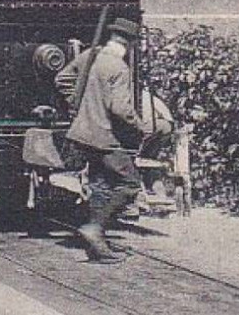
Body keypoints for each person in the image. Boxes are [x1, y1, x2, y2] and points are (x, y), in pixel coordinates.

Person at [64, 17, 168, 262]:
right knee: (129, 183)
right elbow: (120, 108)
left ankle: (97, 246)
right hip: (103, 136)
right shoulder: (119, 68)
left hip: (82, 132)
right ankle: (94, 229)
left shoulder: (91, 56)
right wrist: (141, 126)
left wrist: (77, 104)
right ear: (129, 44)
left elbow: (63, 79)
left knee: (101, 184)